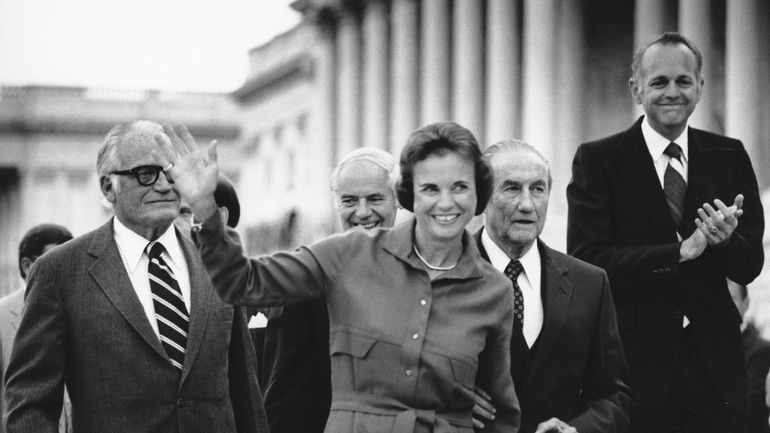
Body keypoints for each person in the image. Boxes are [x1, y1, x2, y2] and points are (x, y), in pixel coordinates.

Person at [158, 121, 521, 432]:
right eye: (430, 189)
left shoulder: (494, 290)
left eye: (459, 187)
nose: (445, 203)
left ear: (478, 197)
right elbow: (242, 283)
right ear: (410, 195)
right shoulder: (345, 255)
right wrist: (205, 207)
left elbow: (500, 414)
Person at [4, 120, 268, 433]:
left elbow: (245, 390)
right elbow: (31, 404)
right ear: (107, 187)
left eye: (172, 172)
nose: (164, 185)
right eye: (146, 174)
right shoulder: (59, 272)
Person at [567, 32, 764, 432]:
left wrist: (725, 243)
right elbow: (587, 261)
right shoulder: (599, 160)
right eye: (658, 82)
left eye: (683, 81)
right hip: (634, 370)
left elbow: (750, 266)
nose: (672, 92)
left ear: (700, 88)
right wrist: (677, 254)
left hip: (716, 371)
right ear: (636, 89)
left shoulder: (730, 154)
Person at [474, 140, 631, 433]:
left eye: (537, 189)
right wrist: (448, 398)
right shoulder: (444, 275)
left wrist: (578, 430)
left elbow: (615, 397)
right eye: (511, 188)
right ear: (481, 198)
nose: (527, 204)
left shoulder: (590, 283)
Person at [261, 147, 398, 433]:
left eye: (375, 198)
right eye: (349, 200)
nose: (362, 212)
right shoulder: (306, 278)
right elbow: (284, 399)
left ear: (397, 201)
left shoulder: (429, 272)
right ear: (336, 204)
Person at [0, 224, 73, 433]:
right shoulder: (2, 315)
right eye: (56, 263)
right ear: (26, 266)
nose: (67, 272)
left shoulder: (83, 310)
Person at [728, 279, 770, 433]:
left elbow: (748, 406)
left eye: (731, 299)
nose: (724, 306)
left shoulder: (762, 350)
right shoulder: (700, 349)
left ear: (746, 304)